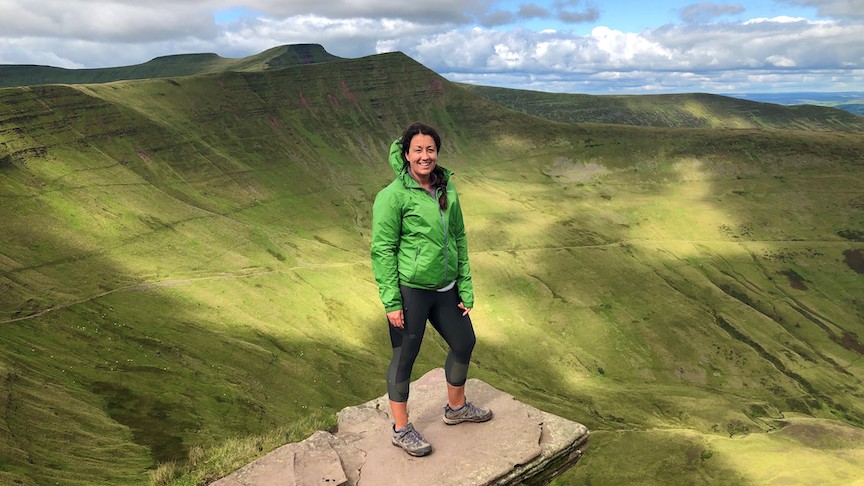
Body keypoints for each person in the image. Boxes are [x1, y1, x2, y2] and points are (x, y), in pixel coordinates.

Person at [371, 122, 493, 457]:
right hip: (411, 290)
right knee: (404, 357)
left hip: (446, 287)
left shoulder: (446, 188)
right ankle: (401, 429)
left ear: (437, 152)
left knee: (464, 342)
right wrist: (392, 302)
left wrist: (465, 286)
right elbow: (382, 250)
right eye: (418, 150)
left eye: (430, 149)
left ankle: (456, 409)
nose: (425, 156)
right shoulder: (393, 196)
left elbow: (459, 237)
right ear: (406, 154)